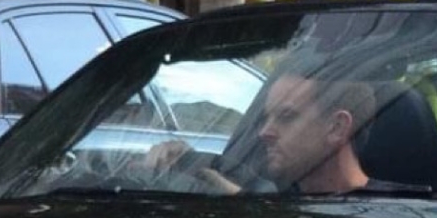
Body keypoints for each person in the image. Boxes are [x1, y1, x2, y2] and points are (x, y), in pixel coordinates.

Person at [147, 65, 376, 195]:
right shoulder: (269, 201)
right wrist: (191, 165)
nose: (264, 132)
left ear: (336, 128)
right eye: (266, 118)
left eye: (286, 117)